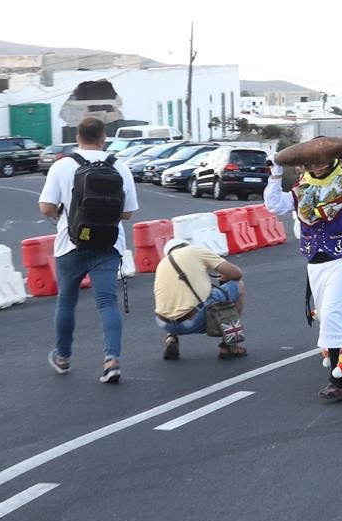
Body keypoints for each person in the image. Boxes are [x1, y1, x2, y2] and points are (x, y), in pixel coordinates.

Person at [264, 142, 342, 401]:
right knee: (325, 316)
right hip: (315, 261)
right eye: (310, 161)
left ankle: (336, 381)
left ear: (330, 159)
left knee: (332, 312)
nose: (315, 164)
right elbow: (275, 205)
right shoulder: (302, 187)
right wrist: (275, 174)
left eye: (320, 159)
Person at [38, 117, 138, 384]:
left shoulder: (62, 165)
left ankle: (62, 356)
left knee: (67, 300)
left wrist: (64, 214)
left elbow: (46, 206)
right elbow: (127, 212)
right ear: (103, 137)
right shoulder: (120, 166)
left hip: (70, 244)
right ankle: (112, 360)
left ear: (78, 137)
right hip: (108, 243)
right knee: (107, 302)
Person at [153, 236, 247, 360]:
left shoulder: (161, 264)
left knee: (177, 299)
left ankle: (171, 338)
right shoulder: (194, 250)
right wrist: (224, 277)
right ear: (186, 245)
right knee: (238, 285)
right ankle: (229, 344)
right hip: (193, 321)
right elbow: (236, 274)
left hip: (165, 324)